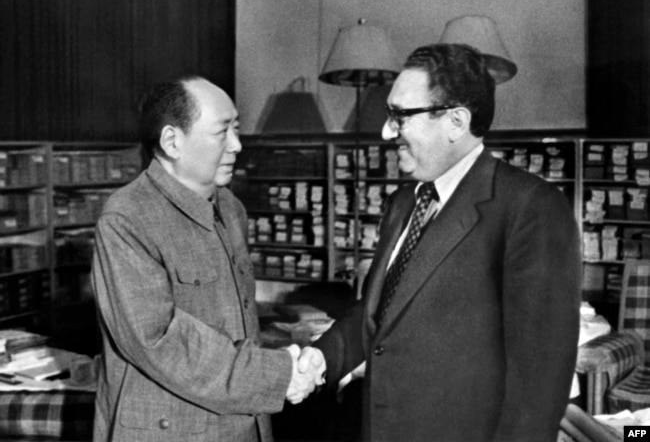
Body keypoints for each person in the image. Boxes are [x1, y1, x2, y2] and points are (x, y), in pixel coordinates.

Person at [313, 43, 581, 442]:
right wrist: (319, 359)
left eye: (400, 116)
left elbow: (540, 380)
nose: (387, 131)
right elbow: (377, 317)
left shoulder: (530, 207)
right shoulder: (403, 202)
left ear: (456, 121)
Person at [91, 74, 324, 442]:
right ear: (172, 141)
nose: (237, 145)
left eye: (237, 128)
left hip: (243, 423)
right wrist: (278, 374)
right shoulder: (127, 218)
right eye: (222, 132)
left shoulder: (230, 208)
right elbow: (159, 339)